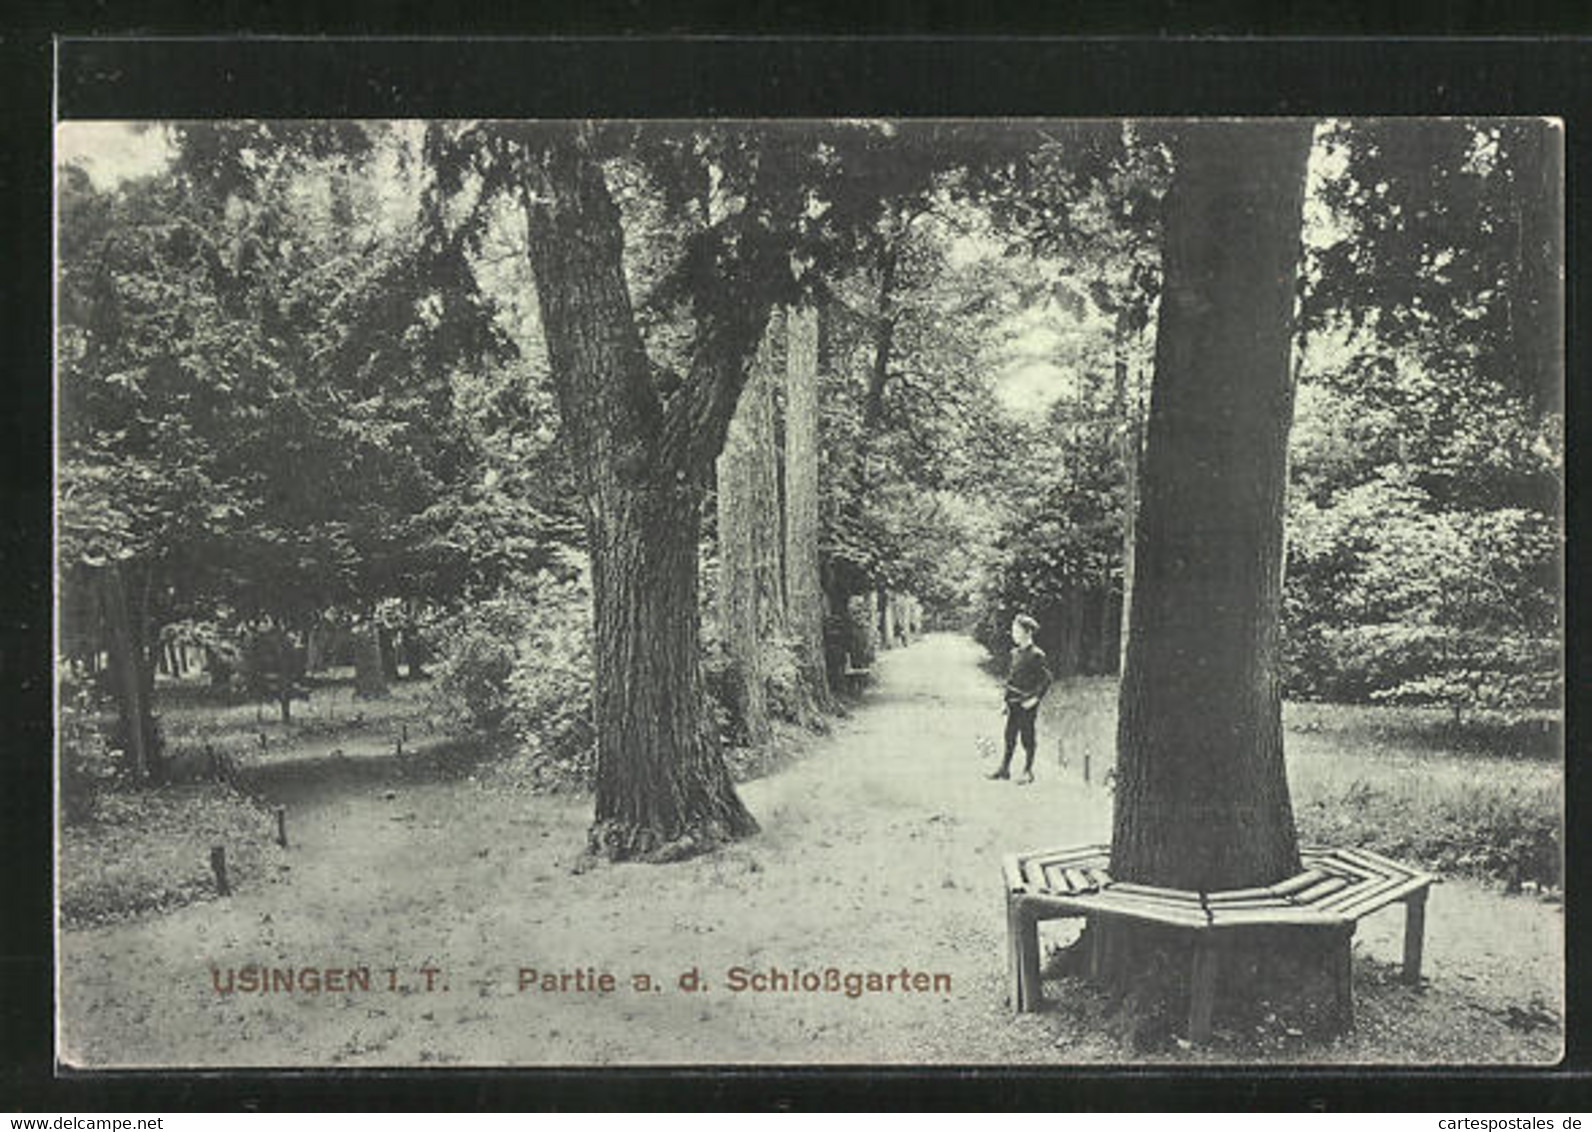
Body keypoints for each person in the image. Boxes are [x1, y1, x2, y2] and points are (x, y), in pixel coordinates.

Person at [988, 613, 1051, 785]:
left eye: (1017, 630)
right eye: (1013, 630)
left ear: (1028, 632)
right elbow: (1010, 680)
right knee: (1009, 736)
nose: (1013, 633)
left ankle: (1028, 771)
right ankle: (1004, 769)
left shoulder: (1037, 655)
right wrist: (1005, 702)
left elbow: (1046, 680)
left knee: (1027, 737)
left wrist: (1035, 699)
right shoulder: (1014, 653)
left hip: (1027, 703)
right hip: (1013, 701)